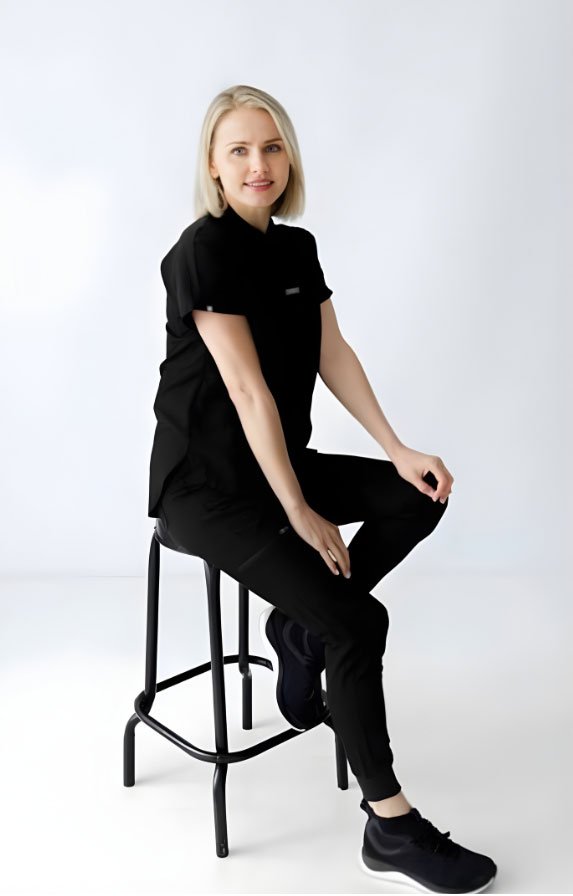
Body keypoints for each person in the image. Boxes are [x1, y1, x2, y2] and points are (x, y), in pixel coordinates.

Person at [147, 84, 497, 893]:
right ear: (212, 164)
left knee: (418, 495)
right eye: (237, 149)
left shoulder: (296, 251)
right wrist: (301, 513)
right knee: (357, 619)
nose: (257, 164)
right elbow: (247, 391)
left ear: (288, 157)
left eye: (270, 147)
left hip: (277, 464)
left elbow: (332, 354)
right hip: (207, 486)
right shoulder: (199, 252)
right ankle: (392, 826)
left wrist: (396, 446)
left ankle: (299, 633)